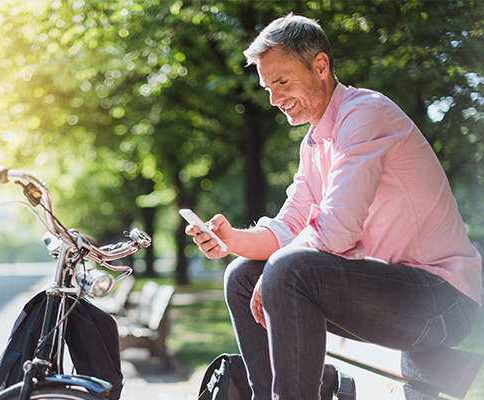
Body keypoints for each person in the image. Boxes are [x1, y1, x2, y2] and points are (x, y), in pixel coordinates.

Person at [186, 13, 482, 400]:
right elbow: (287, 227)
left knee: (288, 269)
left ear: (320, 66)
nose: (274, 99)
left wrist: (278, 269)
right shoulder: (314, 143)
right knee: (241, 275)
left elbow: (337, 230)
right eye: (267, 87)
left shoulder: (365, 114)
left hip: (444, 299)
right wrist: (230, 239)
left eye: (282, 82)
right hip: (387, 293)